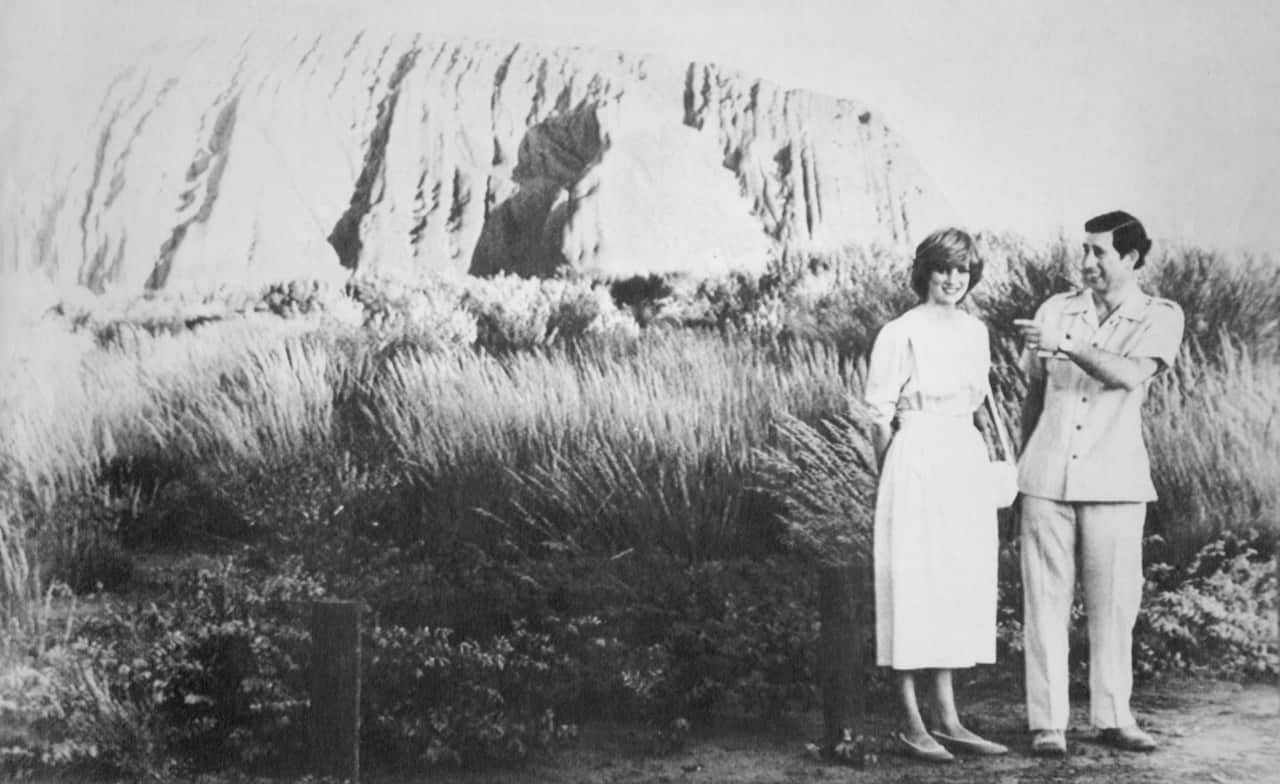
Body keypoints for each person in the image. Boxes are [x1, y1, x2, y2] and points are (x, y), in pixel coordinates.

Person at [1013, 210, 1185, 756]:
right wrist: (1021, 470)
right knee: (1044, 602)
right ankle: (1048, 723)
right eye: (1083, 250)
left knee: (1114, 605)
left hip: (1116, 480)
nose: (1086, 262)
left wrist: (1066, 342)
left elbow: (1129, 374)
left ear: (1132, 258)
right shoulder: (1055, 309)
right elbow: (1034, 396)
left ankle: (1114, 717)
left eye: (1099, 252)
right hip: (1047, 476)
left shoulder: (1159, 315)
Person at [864, 228, 1009, 763]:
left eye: (963, 271)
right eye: (944, 269)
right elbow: (879, 415)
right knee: (913, 582)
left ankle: (948, 718)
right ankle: (910, 721)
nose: (953, 280)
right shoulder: (901, 332)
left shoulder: (975, 331)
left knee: (952, 581)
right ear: (925, 271)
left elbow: (978, 406)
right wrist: (892, 473)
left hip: (962, 459)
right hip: (916, 457)